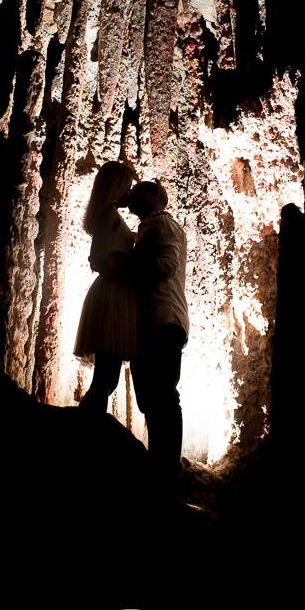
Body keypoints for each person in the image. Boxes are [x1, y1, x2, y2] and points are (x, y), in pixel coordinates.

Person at [127, 180, 190, 478]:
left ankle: (168, 469)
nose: (131, 194)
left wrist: (124, 265)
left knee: (162, 395)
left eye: (138, 190)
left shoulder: (162, 223)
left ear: (155, 196)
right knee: (151, 399)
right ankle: (159, 465)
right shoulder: (147, 228)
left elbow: (166, 266)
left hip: (163, 318)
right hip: (152, 320)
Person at [74, 161, 139, 413]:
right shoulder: (109, 212)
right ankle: (88, 429)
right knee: (105, 376)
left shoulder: (114, 214)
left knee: (108, 377)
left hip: (115, 293)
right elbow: (97, 257)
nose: (130, 193)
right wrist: (127, 272)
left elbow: (132, 237)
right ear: (115, 187)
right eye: (127, 187)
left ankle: (89, 426)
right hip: (111, 294)